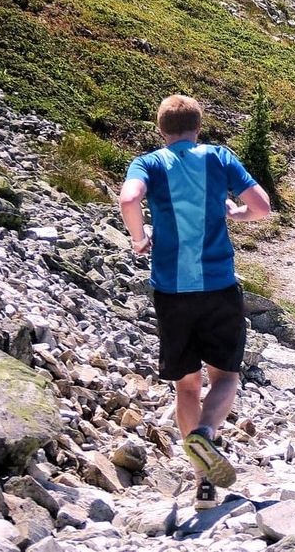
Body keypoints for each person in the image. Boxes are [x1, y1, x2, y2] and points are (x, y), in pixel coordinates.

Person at [118, 95, 272, 511]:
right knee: (225, 377)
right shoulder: (219, 157)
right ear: (198, 128)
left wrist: (139, 238)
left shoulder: (148, 163)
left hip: (172, 291)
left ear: (160, 130)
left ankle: (202, 481)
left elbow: (129, 200)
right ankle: (207, 433)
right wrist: (235, 215)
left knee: (186, 386)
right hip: (219, 286)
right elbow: (261, 207)